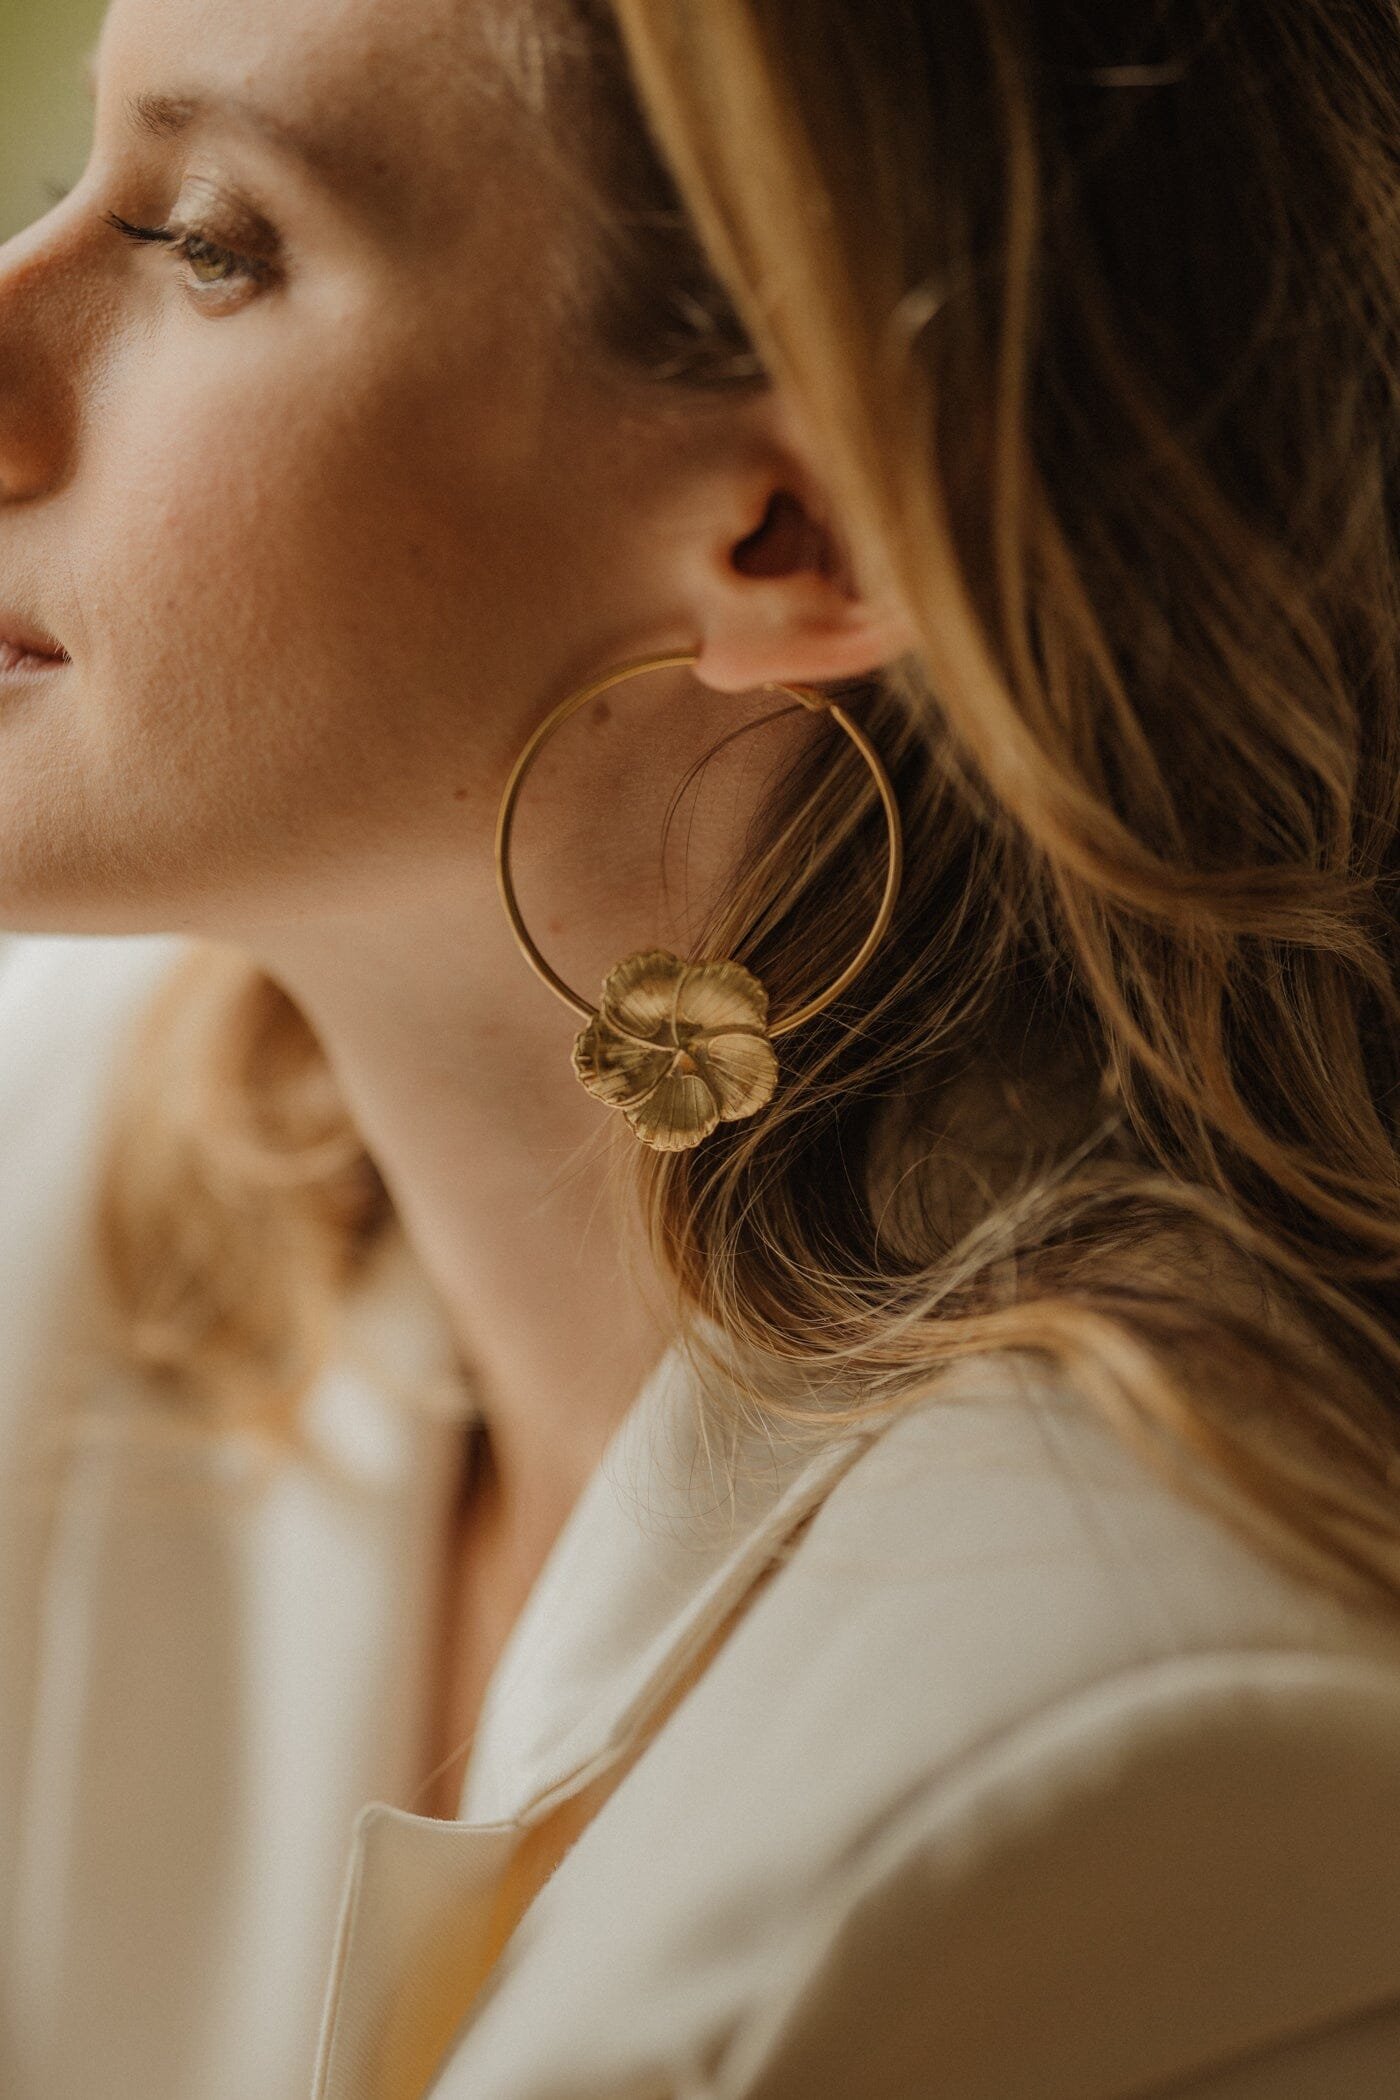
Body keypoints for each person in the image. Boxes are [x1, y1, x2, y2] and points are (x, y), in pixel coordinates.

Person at [1, 0, 1399, 2092]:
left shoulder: (1127, 1786)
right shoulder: (62, 1130)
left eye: (212, 238)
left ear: (798, 532)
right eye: (77, 176)